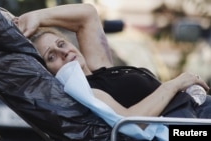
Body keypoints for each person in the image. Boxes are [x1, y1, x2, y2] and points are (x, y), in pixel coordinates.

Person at [15, 3, 211, 121]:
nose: (63, 52)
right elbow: (129, 121)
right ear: (47, 72)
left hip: (197, 110)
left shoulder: (99, 70)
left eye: (61, 43)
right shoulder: (88, 92)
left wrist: (37, 17)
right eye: (51, 56)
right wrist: (174, 84)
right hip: (189, 125)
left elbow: (88, 14)